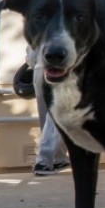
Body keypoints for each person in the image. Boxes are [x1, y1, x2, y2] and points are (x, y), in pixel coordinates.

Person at [28, 47, 70, 176]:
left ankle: (58, 158)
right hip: (62, 71)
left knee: (45, 115)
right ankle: (44, 161)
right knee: (56, 115)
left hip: (39, 69)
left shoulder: (38, 28)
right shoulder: (65, 30)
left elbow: (30, 56)